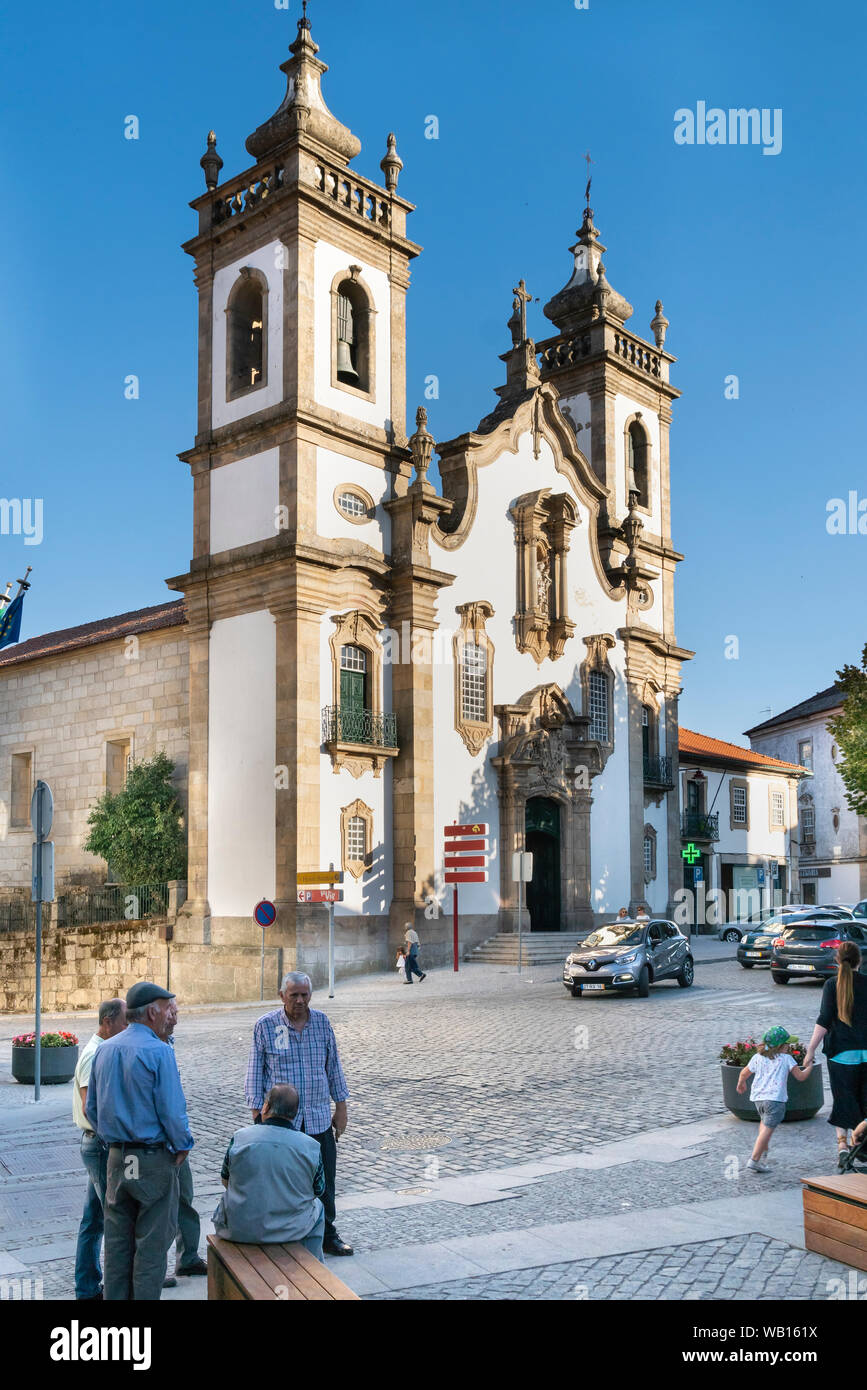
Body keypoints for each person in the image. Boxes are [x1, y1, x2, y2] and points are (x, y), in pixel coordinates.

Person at [86, 981, 194, 1300]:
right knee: (151, 1248)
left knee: (117, 1246)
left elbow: (92, 1108)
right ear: (151, 1012)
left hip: (118, 1158)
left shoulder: (104, 1049)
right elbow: (173, 1112)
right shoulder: (160, 1051)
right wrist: (183, 1144)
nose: (169, 1014)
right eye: (166, 1008)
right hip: (152, 1159)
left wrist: (114, 1140)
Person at [245, 971, 353, 1256]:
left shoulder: (321, 1023)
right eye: (293, 995)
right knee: (282, 1180)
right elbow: (256, 1074)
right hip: (281, 1122)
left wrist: (340, 1107)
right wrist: (258, 1118)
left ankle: (327, 1232)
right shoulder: (266, 1026)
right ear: (282, 996)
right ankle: (283, 1234)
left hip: (317, 1116)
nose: (300, 1000)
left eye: (305, 994)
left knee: (324, 1178)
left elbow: (333, 1066)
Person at [213, 1084, 326, 1259]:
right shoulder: (311, 1146)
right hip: (290, 1231)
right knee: (318, 1207)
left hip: (238, 1228)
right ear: (295, 1114)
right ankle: (314, 1265)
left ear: (265, 1107)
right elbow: (318, 1190)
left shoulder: (240, 1138)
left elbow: (226, 1181)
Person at [72, 997, 127, 1300]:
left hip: (96, 1143)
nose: (127, 1027)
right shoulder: (95, 1054)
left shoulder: (101, 1050)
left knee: (93, 1219)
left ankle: (88, 1287)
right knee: (112, 1216)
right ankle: (107, 1288)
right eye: (124, 1022)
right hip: (99, 1143)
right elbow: (90, 1106)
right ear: (108, 1023)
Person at [803, 942, 867, 1166]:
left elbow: (823, 1020)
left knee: (843, 1101)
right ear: (860, 961)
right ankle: (859, 1143)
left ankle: (842, 1146)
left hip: (840, 1055)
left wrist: (810, 1050)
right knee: (864, 1101)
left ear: (837, 960)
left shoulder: (832, 985)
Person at [165, 999, 208, 1281]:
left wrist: (183, 1140)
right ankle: (154, 1266)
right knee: (158, 1208)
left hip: (178, 1140)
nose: (176, 1018)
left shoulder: (167, 1042)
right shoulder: (150, 1047)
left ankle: (188, 1257)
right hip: (160, 1143)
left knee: (185, 1198)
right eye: (173, 1013)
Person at [736, 1026, 814, 1172]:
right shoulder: (786, 1059)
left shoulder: (757, 1058)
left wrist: (741, 1084)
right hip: (775, 1100)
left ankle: (763, 1149)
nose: (789, 1047)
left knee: (764, 1123)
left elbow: (744, 1073)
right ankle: (754, 1160)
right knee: (768, 1129)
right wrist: (810, 1066)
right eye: (788, 1045)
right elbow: (801, 1077)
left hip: (758, 1099)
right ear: (781, 1046)